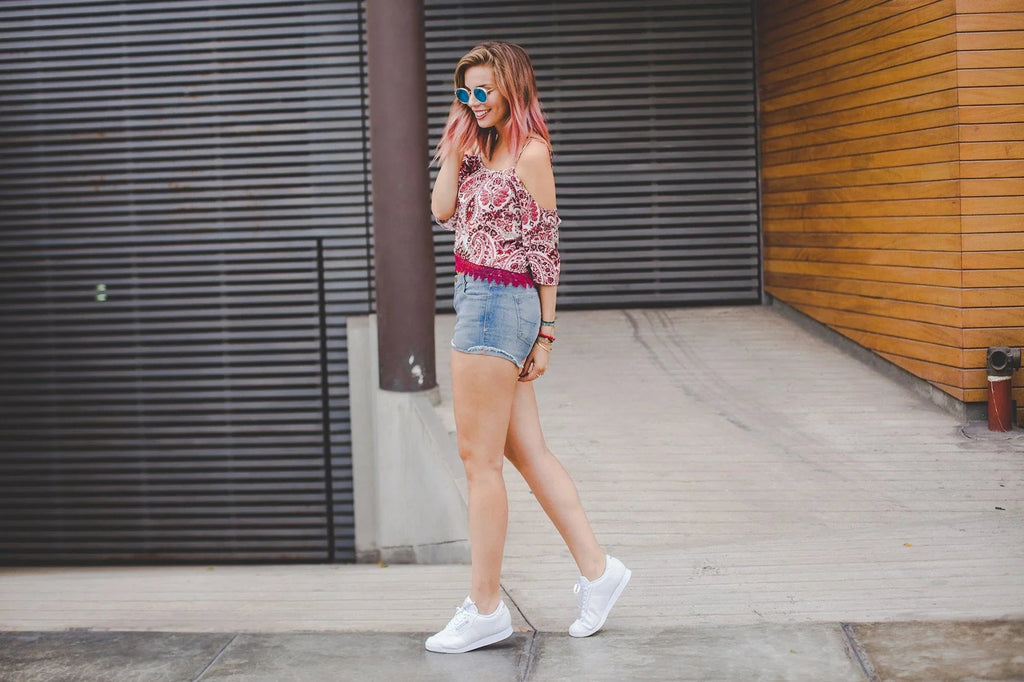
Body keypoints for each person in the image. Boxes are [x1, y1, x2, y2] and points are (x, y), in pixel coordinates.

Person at [425, 41, 631, 655]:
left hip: (498, 303)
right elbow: (441, 213)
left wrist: (546, 331)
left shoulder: (532, 154)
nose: (473, 101)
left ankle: (485, 608)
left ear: (512, 88)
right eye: (464, 92)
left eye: (483, 91)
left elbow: (546, 249)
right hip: (477, 295)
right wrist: (452, 148)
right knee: (526, 452)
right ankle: (599, 572)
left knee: (477, 460)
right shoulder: (473, 149)